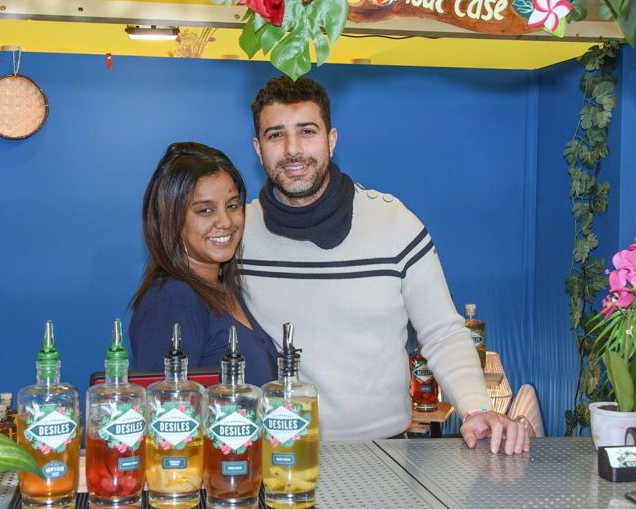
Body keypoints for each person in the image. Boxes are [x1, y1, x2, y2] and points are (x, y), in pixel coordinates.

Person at [240, 76, 529, 454]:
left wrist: (476, 408)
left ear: (331, 140)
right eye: (276, 135)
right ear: (259, 149)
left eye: (307, 132)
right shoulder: (236, 235)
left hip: (386, 453)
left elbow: (442, 333)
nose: (293, 149)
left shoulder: (394, 223)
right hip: (275, 455)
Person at [129, 142, 278, 386]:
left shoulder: (225, 288)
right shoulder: (173, 300)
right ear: (171, 220)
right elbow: (167, 413)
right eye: (205, 210)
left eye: (232, 205)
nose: (225, 221)